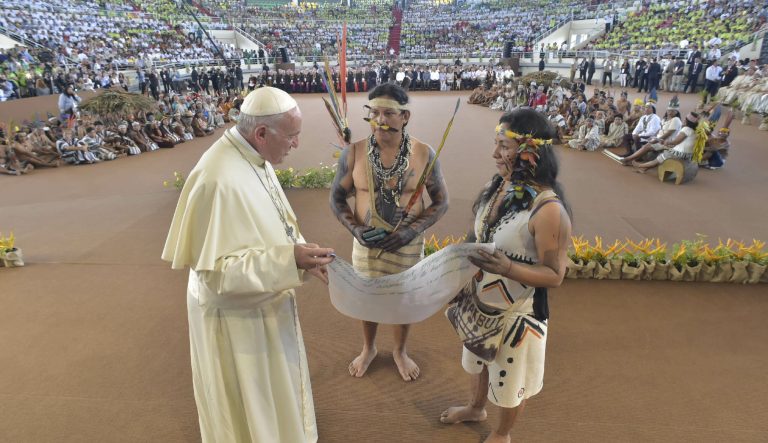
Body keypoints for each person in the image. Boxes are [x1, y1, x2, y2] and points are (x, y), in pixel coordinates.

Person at [161, 87, 335, 442]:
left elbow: (270, 220)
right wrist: (289, 261)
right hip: (238, 324)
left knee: (276, 399)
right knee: (253, 411)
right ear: (261, 133)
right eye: (293, 136)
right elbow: (216, 277)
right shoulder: (218, 178)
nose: (297, 144)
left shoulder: (252, 156)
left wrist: (300, 255)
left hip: (264, 305)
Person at [440, 108, 571, 443]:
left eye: (503, 146)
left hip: (518, 314)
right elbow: (480, 234)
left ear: (530, 151)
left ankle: (502, 433)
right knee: (479, 361)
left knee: (511, 382)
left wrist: (509, 268)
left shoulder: (549, 210)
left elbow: (555, 275)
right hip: (481, 303)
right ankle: (475, 407)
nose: (494, 153)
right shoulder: (499, 185)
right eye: (495, 143)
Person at [330, 83, 449, 381]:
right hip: (366, 244)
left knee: (402, 298)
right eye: (374, 113)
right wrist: (356, 229)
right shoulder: (354, 152)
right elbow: (336, 198)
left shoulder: (423, 153)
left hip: (406, 246)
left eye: (388, 114)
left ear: (405, 116)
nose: (380, 121)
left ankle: (399, 350)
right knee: (366, 296)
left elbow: (441, 201)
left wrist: (411, 232)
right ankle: (368, 347)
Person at [632, 112, 700, 173]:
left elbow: (676, 141)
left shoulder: (686, 129)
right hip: (686, 155)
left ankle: (639, 165)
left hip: (679, 154)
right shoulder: (694, 131)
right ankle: (644, 169)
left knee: (658, 160)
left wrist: (667, 142)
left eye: (686, 119)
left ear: (688, 121)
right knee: (661, 156)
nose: (684, 120)